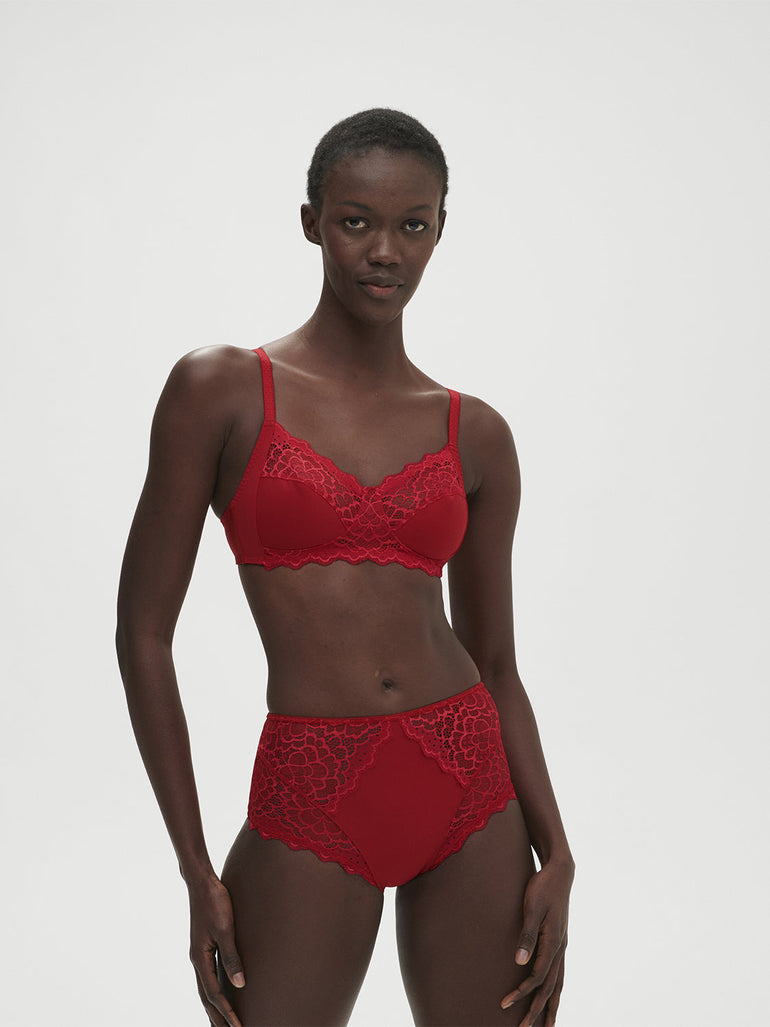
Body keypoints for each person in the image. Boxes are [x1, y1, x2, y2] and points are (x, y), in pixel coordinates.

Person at [116, 108, 574, 1027]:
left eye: (414, 224)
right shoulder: (221, 390)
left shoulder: (476, 433)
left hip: (470, 783)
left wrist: (558, 850)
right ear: (311, 222)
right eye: (356, 221)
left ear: (440, 231)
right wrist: (194, 865)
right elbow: (143, 635)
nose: (385, 251)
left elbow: (497, 664)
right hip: (310, 787)